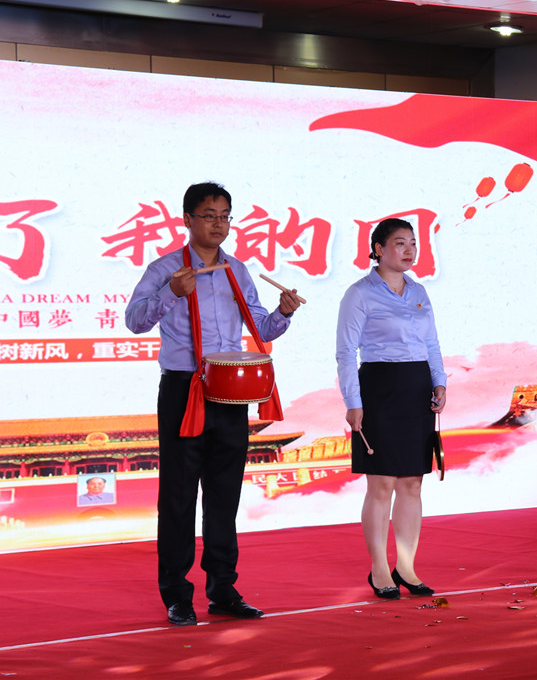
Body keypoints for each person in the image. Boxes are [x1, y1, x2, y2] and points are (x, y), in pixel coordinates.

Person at [125, 181, 302, 626]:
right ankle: (177, 595)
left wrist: (283, 312)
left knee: (224, 494)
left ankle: (223, 589)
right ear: (187, 219)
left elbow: (261, 328)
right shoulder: (165, 269)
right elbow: (134, 322)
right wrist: (171, 293)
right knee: (179, 496)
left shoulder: (236, 270)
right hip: (184, 389)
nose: (218, 224)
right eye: (209, 215)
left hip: (229, 390)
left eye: (225, 216)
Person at [336, 218, 447, 600]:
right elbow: (345, 353)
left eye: (413, 243)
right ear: (378, 249)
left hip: (417, 389)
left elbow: (432, 344)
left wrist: (439, 382)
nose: (409, 250)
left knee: (413, 482)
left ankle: (407, 566)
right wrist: (353, 402)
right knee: (381, 482)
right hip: (379, 389)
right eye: (400, 243)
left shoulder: (419, 291)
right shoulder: (359, 294)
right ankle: (379, 568)